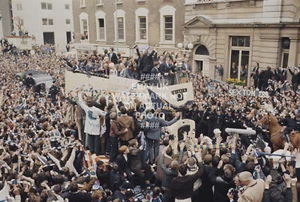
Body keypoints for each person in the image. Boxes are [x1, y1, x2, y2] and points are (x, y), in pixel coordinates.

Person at [78, 89, 106, 155]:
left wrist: (79, 93)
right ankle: (96, 152)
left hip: (89, 127)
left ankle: (91, 151)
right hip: (96, 127)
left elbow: (81, 102)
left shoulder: (86, 108)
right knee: (96, 140)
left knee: (90, 140)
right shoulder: (97, 110)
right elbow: (104, 113)